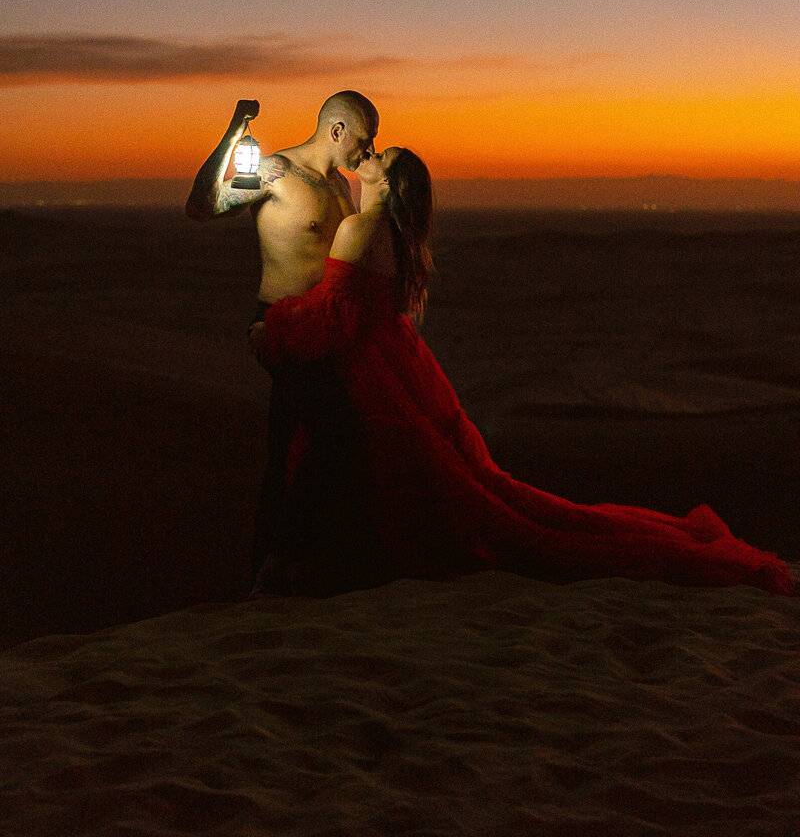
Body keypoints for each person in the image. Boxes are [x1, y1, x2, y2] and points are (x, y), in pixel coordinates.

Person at [249, 147, 795, 598]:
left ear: (387, 183)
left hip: (374, 369)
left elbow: (336, 314)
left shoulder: (360, 228)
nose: (366, 155)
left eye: (379, 157)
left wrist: (273, 328)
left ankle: (295, 568)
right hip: (394, 361)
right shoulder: (389, 231)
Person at [186, 91, 379, 589]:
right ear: (337, 131)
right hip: (281, 326)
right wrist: (234, 131)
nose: (370, 148)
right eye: (364, 137)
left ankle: (288, 568)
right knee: (336, 432)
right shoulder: (276, 173)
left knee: (294, 442)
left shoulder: (344, 187)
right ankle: (278, 564)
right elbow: (201, 205)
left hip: (328, 326)